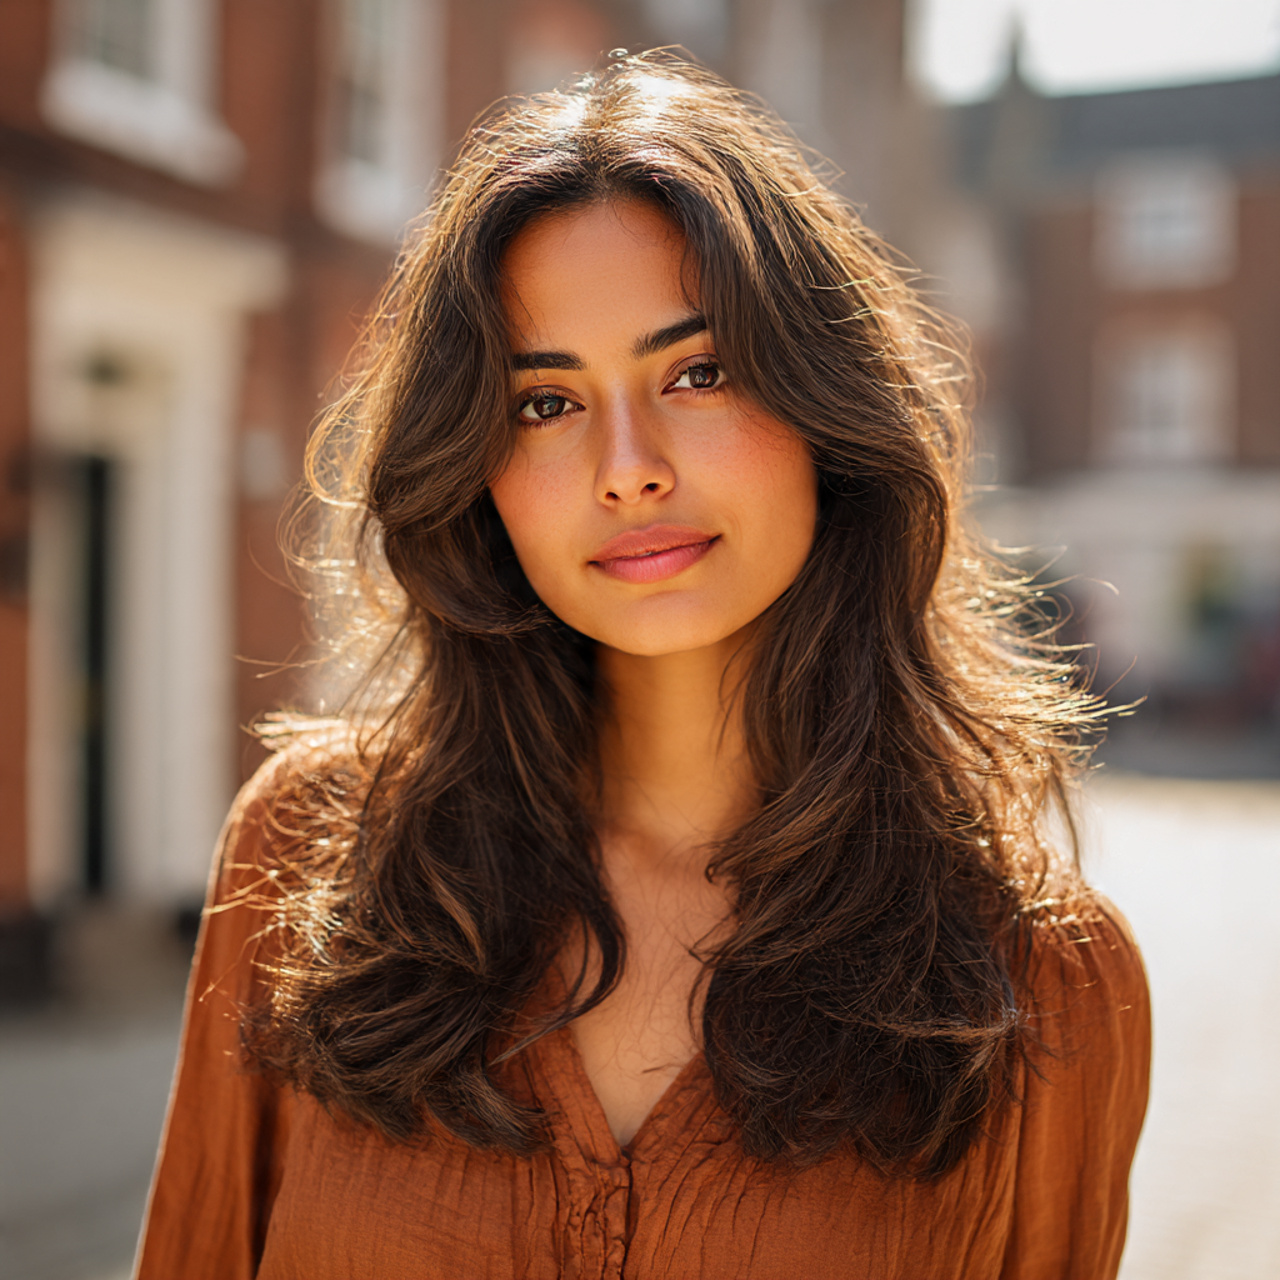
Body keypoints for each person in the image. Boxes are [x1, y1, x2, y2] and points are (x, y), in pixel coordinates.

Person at [136, 51, 1149, 1280]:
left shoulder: (1041, 978)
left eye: (697, 373)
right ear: (478, 470)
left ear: (824, 411)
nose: (626, 468)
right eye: (545, 404)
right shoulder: (308, 854)